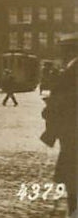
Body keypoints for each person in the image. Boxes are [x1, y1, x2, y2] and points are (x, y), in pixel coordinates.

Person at [42, 35, 77, 216]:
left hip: (71, 130)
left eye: (65, 50)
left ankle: (72, 209)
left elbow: (62, 100)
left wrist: (49, 109)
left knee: (71, 170)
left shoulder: (72, 71)